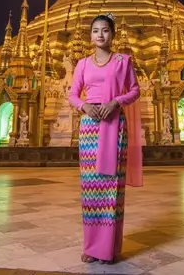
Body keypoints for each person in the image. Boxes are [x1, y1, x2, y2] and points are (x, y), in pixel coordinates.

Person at [69, 13, 142, 265]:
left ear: (113, 34)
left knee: (111, 188)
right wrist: (85, 107)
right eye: (95, 31)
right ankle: (91, 247)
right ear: (90, 35)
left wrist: (115, 102)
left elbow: (134, 90)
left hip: (114, 124)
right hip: (90, 126)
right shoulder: (82, 64)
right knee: (91, 189)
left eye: (105, 30)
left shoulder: (123, 61)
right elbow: (73, 95)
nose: (100, 35)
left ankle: (108, 248)